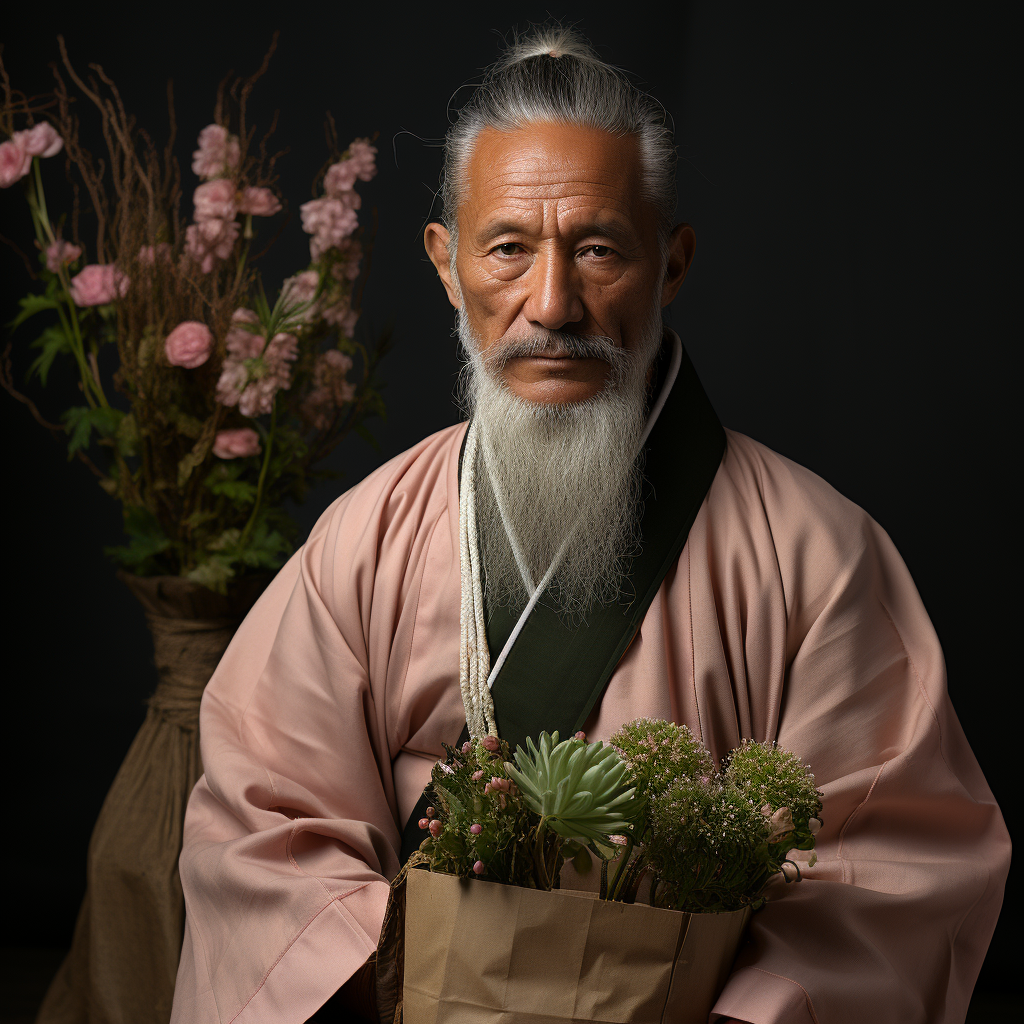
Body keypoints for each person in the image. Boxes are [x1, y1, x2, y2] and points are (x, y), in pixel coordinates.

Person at [170, 23, 1010, 1024]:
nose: (553, 303)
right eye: (509, 249)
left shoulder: (815, 552)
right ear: (446, 265)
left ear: (672, 262)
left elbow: (887, 875)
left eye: (599, 247)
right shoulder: (367, 538)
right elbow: (263, 825)